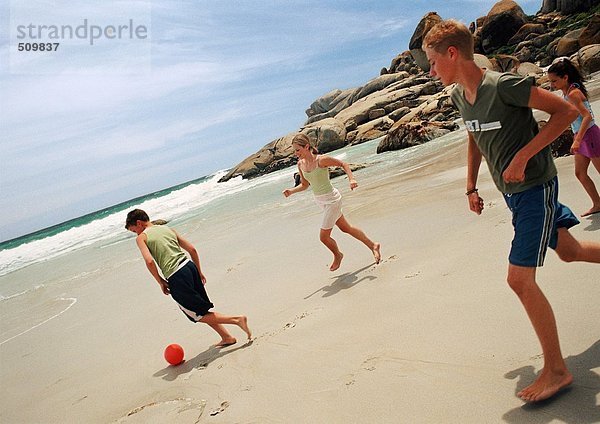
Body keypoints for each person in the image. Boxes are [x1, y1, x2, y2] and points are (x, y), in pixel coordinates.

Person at [423, 19, 600, 403]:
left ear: (453, 54)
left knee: (519, 280)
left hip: (535, 187)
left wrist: (523, 155)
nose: (431, 71)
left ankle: (556, 370)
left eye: (433, 62)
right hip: (514, 195)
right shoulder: (459, 96)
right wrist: (470, 186)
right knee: (570, 252)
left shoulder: (502, 85)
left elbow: (565, 114)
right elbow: (475, 136)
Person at [125, 209, 251, 347]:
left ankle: (237, 320)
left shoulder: (142, 237)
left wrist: (160, 281)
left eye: (133, 230)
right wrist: (199, 271)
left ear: (139, 223)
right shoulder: (166, 228)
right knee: (202, 309)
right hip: (189, 267)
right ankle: (227, 337)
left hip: (176, 275)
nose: (135, 234)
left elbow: (149, 262)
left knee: (195, 314)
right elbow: (192, 249)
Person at [282, 133, 381, 271]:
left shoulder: (321, 160)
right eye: (294, 150)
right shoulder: (300, 165)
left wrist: (351, 179)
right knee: (346, 228)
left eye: (298, 150)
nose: (295, 153)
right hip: (321, 201)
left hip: (332, 200)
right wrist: (292, 191)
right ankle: (373, 245)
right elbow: (305, 185)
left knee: (323, 237)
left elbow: (343, 164)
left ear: (306, 146)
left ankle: (338, 255)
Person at [548, 58, 600, 216]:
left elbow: (587, 117)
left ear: (565, 77)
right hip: (581, 136)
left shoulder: (573, 93)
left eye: (554, 81)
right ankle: (597, 203)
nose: (551, 85)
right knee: (580, 173)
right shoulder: (567, 92)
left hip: (589, 135)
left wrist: (577, 139)